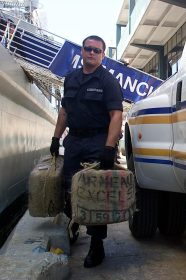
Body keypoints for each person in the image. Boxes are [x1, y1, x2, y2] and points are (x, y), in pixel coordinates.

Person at [49, 35, 123, 268]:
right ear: (81, 51)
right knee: (71, 189)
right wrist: (55, 138)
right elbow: (64, 112)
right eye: (88, 48)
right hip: (74, 143)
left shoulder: (108, 81)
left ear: (102, 55)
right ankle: (73, 228)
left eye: (97, 50)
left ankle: (96, 245)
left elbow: (116, 116)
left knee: (95, 196)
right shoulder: (70, 79)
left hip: (97, 141)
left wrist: (109, 148)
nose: (91, 52)